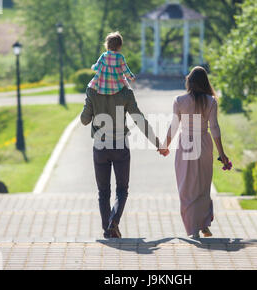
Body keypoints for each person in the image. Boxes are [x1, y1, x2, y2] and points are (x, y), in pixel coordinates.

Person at [81, 31, 167, 239]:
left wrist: (90, 107)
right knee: (122, 190)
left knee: (103, 192)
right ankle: (114, 222)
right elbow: (139, 120)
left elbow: (84, 120)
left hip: (99, 147)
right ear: (120, 55)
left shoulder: (92, 89)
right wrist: (158, 143)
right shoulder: (126, 92)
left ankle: (107, 229)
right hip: (120, 146)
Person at [160, 66, 231, 239]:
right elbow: (214, 128)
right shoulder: (211, 101)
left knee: (186, 187)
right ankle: (204, 224)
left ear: (189, 82)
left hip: (186, 145)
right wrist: (222, 154)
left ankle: (193, 229)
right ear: (205, 82)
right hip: (204, 144)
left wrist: (165, 145)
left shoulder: (179, 100)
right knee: (203, 185)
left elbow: (174, 126)